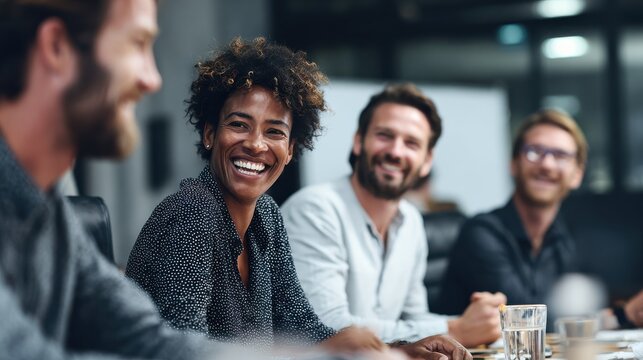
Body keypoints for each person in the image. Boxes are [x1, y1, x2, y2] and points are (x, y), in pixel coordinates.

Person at [124, 38, 470, 358]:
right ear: (210, 134)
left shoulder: (268, 216)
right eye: (239, 125)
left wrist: (400, 349)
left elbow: (304, 326)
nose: (257, 144)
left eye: (275, 132)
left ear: (290, 151)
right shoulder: (191, 214)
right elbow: (181, 350)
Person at [0, 0, 227, 358]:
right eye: (137, 43)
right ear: (57, 46)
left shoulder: (49, 213)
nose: (152, 80)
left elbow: (152, 341)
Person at [281, 83, 505, 350]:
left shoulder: (411, 221)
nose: (396, 152)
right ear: (358, 141)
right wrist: (456, 328)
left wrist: (479, 322)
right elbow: (329, 327)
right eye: (385, 135)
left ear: (426, 161)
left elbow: (414, 318)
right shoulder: (314, 209)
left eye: (411, 143)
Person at [438, 110, 586, 315]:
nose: (547, 164)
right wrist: (615, 316)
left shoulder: (563, 239)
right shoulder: (481, 233)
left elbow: (574, 311)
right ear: (514, 164)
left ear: (577, 175)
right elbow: (524, 317)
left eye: (561, 155)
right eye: (534, 151)